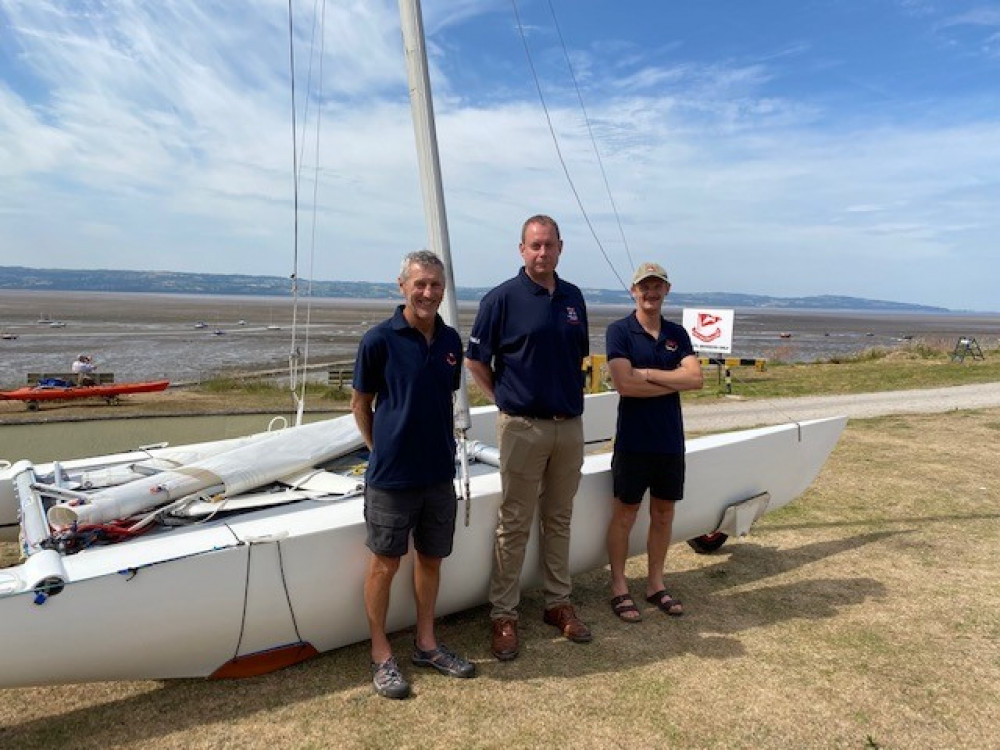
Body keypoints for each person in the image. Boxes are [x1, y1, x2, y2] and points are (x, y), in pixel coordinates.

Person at [466, 214, 591, 661]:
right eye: (534, 246)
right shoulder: (501, 299)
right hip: (521, 427)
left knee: (559, 518)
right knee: (514, 522)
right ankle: (504, 614)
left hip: (569, 426)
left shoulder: (574, 298)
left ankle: (558, 603)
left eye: (549, 245)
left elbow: (576, 356)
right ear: (521, 249)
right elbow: (477, 360)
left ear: (561, 247)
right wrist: (504, 400)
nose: (542, 253)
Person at [351, 250, 475, 700]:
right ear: (402, 286)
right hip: (390, 478)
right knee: (385, 563)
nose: (427, 293)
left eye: (435, 285)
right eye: (420, 284)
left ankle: (426, 644)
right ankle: (381, 652)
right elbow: (360, 404)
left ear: (443, 291)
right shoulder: (378, 340)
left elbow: (440, 401)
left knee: (431, 559)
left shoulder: (449, 342)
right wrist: (378, 450)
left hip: (437, 474)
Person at [604, 262, 703, 623]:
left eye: (657, 286)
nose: (650, 292)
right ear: (634, 291)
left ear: (666, 290)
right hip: (633, 440)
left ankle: (655, 583)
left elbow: (695, 379)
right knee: (625, 513)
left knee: (663, 514)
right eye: (644, 286)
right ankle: (618, 585)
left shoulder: (677, 333)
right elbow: (624, 384)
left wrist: (647, 373)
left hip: (669, 441)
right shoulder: (620, 331)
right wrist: (670, 379)